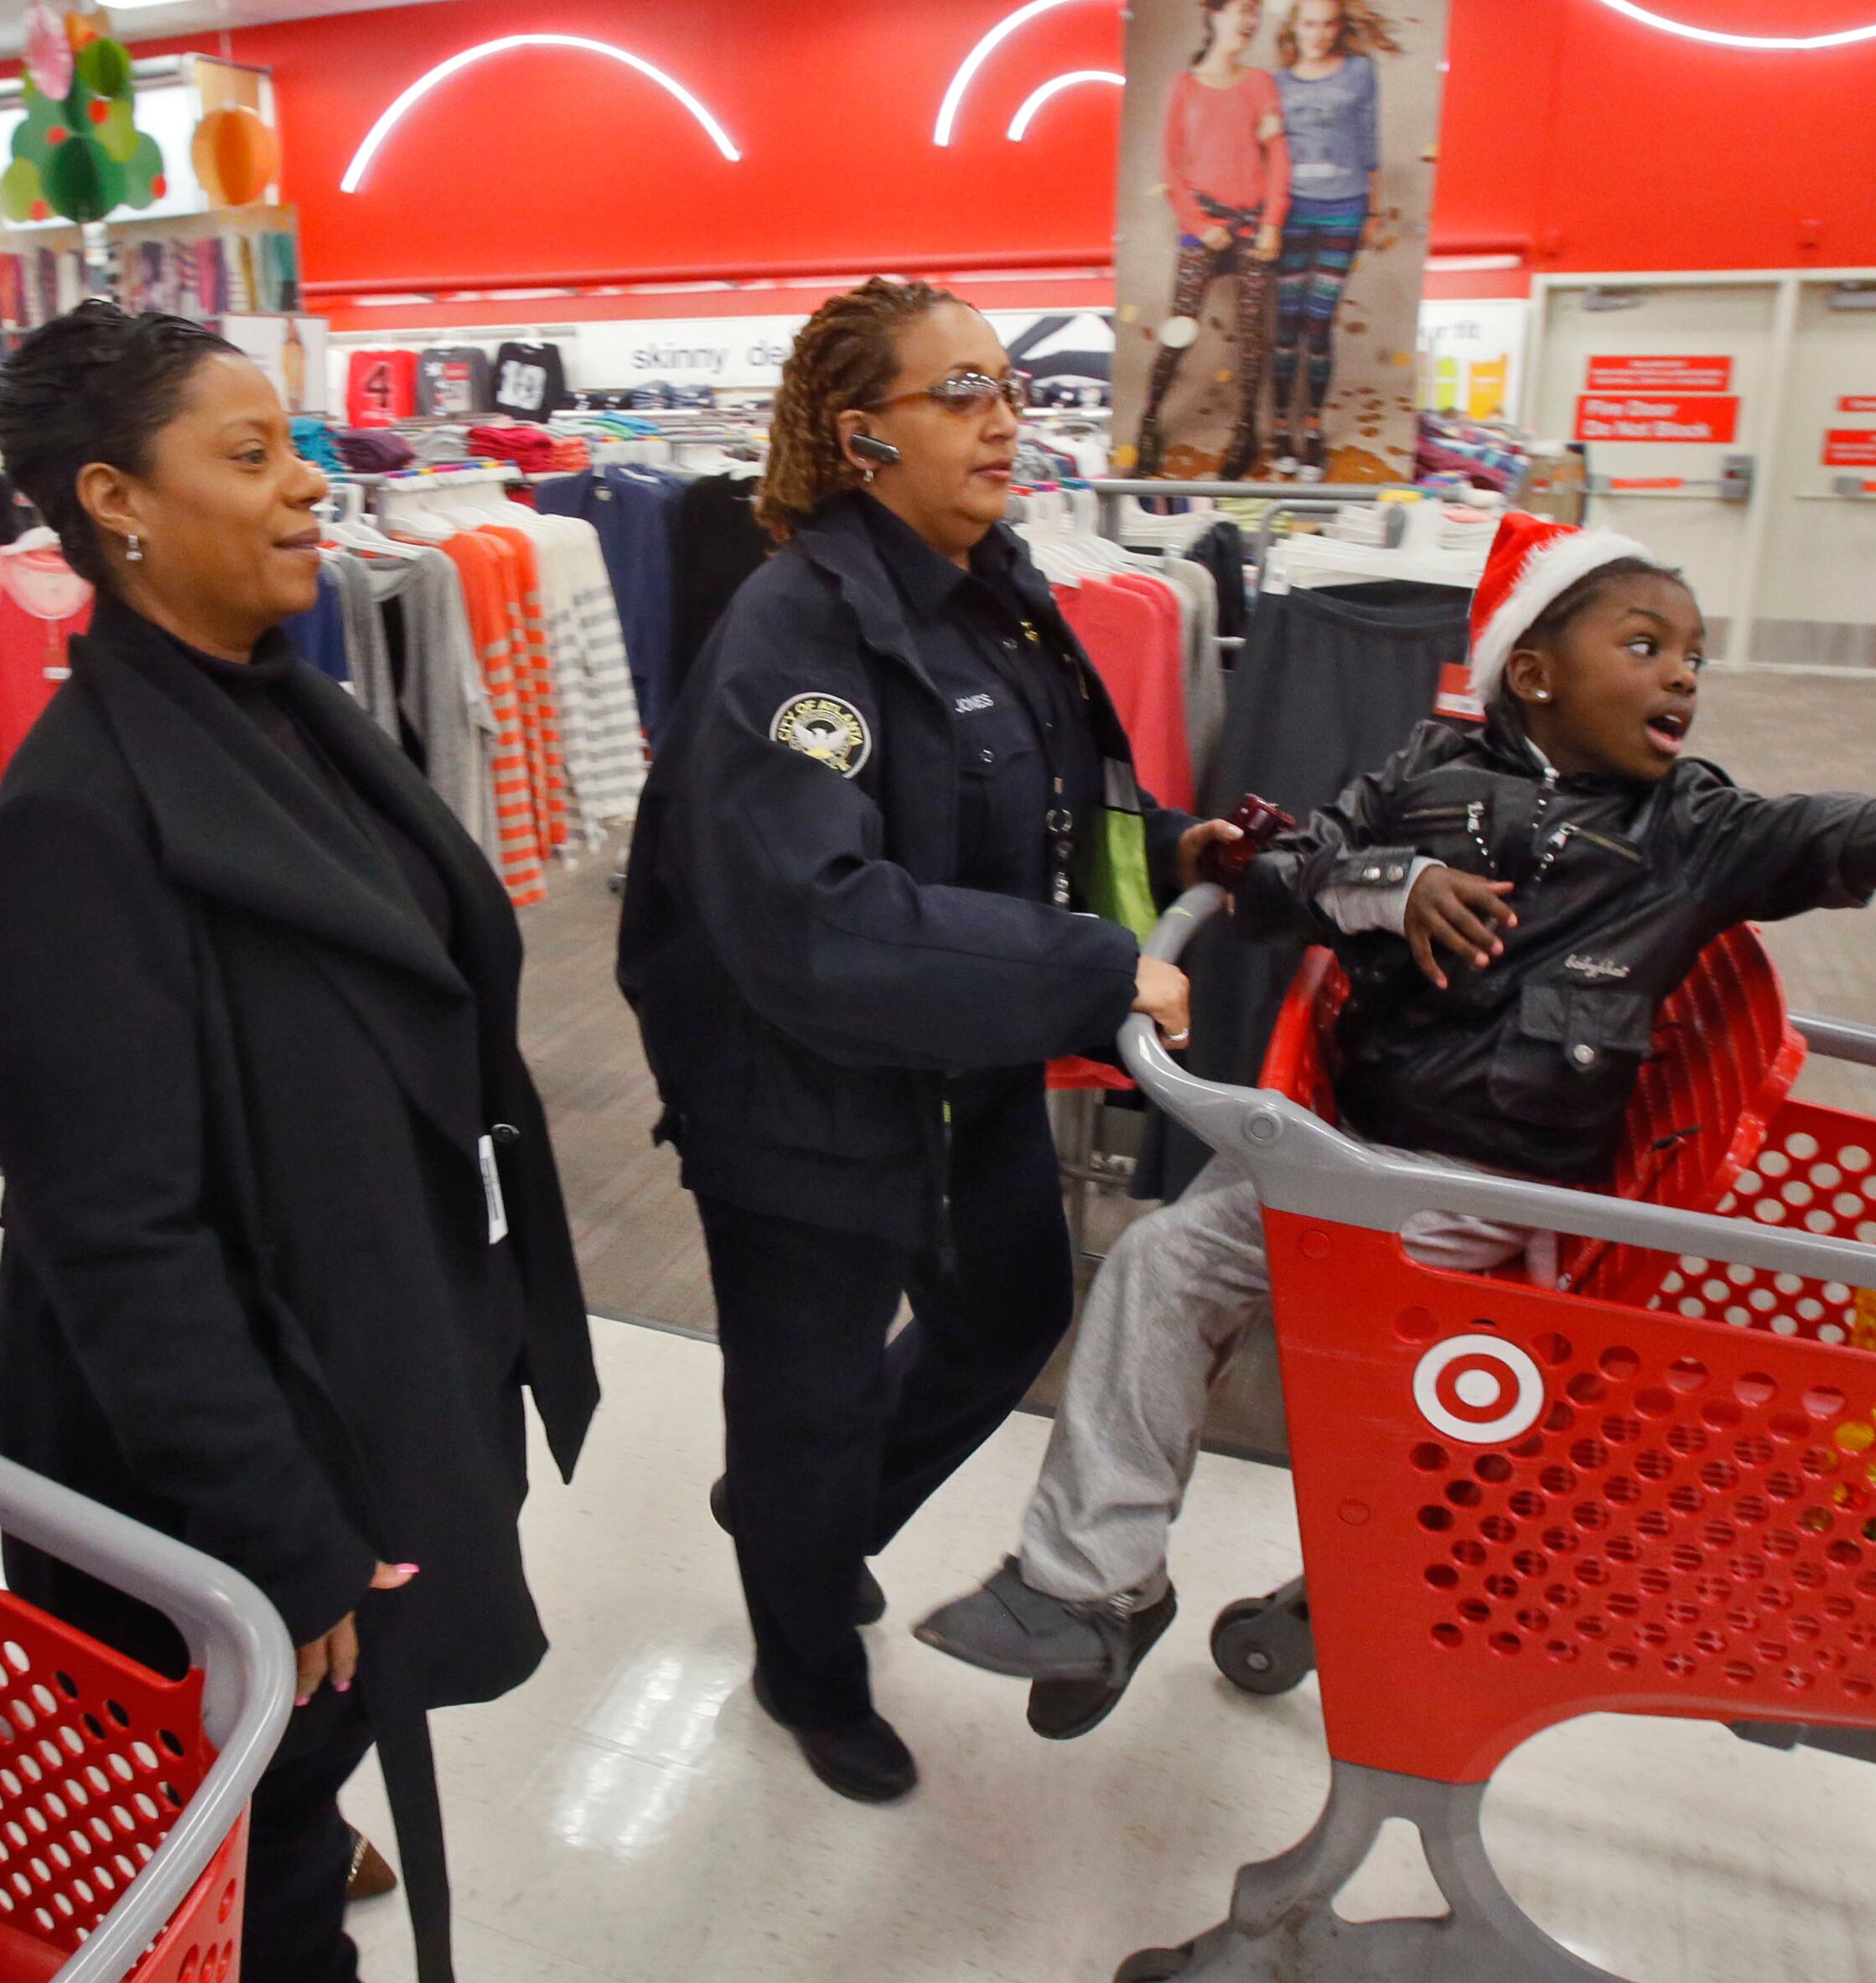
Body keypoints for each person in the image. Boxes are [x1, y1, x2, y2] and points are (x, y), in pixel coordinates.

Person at [914, 510, 1876, 1734]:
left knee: (1198, 1281)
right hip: (1352, 1156)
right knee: (1178, 1278)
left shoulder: (1707, 834)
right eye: (1643, 642)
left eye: (1694, 654)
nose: (1680, 676)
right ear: (1533, 668)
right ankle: (1106, 1580)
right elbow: (1273, 874)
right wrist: (1386, 884)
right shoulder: (1424, 772)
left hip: (1490, 1189)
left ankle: (1106, 1583)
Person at [0, 302, 598, 1983]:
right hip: (235, 1464)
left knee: (307, 1787)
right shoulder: (78, 830)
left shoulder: (286, 709)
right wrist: (283, 1544)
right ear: (116, 501)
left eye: (292, 443)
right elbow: (120, 1242)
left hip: (364, 1354)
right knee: (248, 1850)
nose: (310, 486)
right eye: (251, 455)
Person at [618, 277, 1231, 1804]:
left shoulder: (999, 597)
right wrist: (1097, 973)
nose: (1003, 418)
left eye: (1008, 388)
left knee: (1008, 1309)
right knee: (807, 1394)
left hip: (952, 1062)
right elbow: (818, 922)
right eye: (958, 393)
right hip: (792, 1093)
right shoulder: (795, 630)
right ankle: (804, 1654)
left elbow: (1045, 815)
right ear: (860, 437)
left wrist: (1193, 854)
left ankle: (800, 1521)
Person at [1131, 0, 1291, 479]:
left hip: (1252, 227)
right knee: (1179, 330)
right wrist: (1201, 226)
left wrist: (1272, 224)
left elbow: (1279, 160)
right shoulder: (1182, 88)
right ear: (1215, 14)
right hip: (1204, 228)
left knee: (1253, 336)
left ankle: (1246, 430)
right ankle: (1150, 418)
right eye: (1242, 9)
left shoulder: (1260, 84)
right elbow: (1169, 171)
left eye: (1255, 11)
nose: (1250, 20)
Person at [1266, 0, 1400, 480]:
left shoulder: (1360, 72)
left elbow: (1369, 141)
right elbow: (1267, 151)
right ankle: (1282, 428)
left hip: (1345, 207)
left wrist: (1375, 208)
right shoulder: (1274, 83)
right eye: (1309, 23)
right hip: (1291, 211)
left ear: (1339, 28)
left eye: (1328, 23)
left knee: (1318, 325)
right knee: (1287, 325)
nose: (1318, 33)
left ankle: (1315, 430)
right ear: (1294, 27)